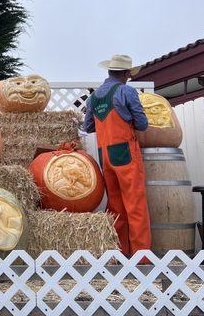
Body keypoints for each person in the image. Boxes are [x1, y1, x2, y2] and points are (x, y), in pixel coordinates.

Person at [83, 54, 151, 257]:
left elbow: (88, 126)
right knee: (136, 205)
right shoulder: (126, 91)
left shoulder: (93, 98)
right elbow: (142, 124)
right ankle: (142, 258)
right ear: (125, 73)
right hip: (126, 155)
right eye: (128, 74)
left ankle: (119, 254)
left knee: (116, 207)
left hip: (106, 156)